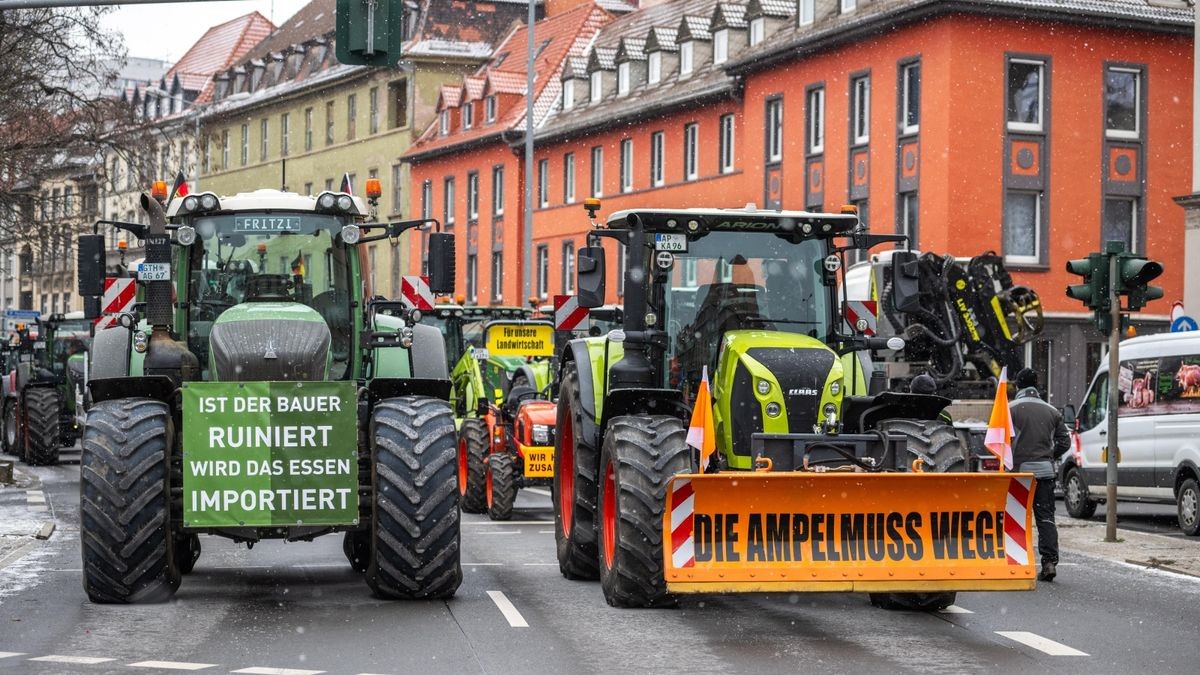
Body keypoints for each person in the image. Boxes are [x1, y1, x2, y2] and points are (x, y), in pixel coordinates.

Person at [1010, 367, 1071, 582]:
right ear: (1037, 386)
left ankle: (1015, 562)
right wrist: (1049, 456)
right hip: (1045, 473)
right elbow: (1065, 442)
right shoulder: (1052, 411)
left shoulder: (1010, 410)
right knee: (1046, 518)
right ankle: (1049, 562)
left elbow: (1000, 441)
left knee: (1015, 519)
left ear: (1018, 385)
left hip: (1019, 475)